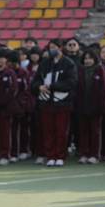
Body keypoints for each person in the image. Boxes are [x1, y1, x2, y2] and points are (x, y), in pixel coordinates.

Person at [33, 39, 76, 168]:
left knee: (61, 131)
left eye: (54, 47)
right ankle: (50, 156)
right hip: (46, 103)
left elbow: (71, 82)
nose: (52, 50)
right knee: (48, 131)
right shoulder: (45, 63)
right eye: (50, 47)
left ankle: (60, 156)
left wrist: (52, 86)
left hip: (62, 103)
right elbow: (36, 80)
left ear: (60, 48)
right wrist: (39, 87)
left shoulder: (69, 63)